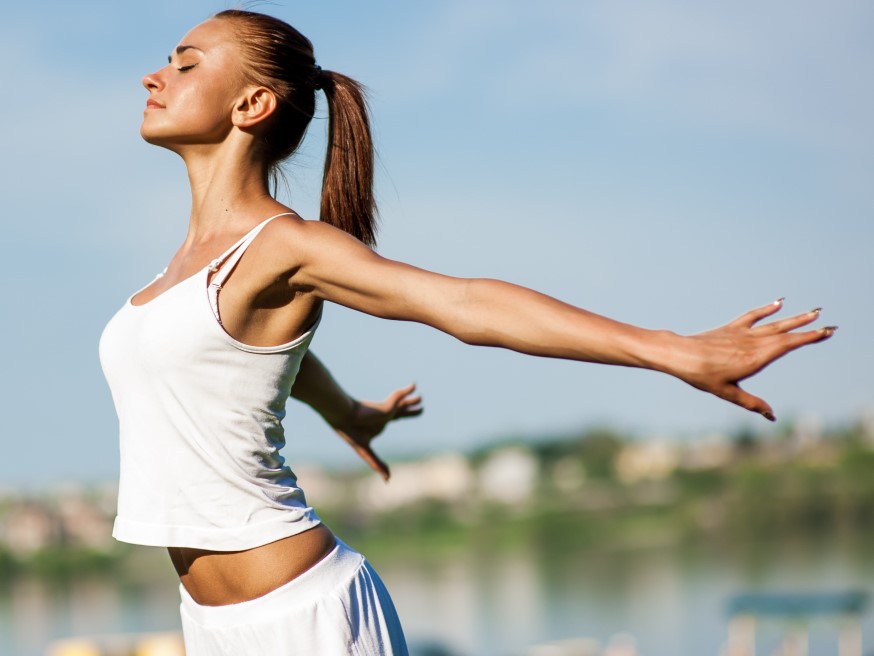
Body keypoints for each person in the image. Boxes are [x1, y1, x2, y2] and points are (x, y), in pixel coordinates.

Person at [98, 9, 835, 656]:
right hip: (211, 623)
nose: (152, 77)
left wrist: (672, 349)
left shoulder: (286, 246)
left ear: (252, 103)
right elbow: (241, 358)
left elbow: (466, 304)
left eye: (184, 63)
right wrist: (347, 412)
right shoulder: (185, 270)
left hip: (303, 618)